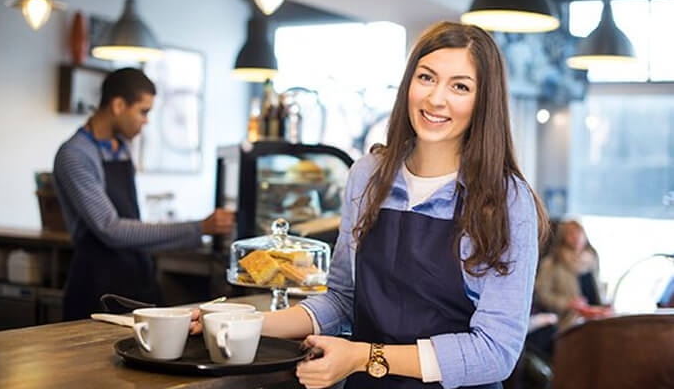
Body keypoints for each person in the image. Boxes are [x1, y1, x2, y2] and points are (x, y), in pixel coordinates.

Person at [192, 21, 549, 388]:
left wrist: (364, 356)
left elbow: (495, 352)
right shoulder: (368, 175)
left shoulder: (506, 199)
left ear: (483, 101)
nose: (436, 99)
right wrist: (240, 321)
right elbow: (343, 300)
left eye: (459, 86)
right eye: (426, 78)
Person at [54, 68, 234, 321]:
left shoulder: (122, 146)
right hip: (97, 286)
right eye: (143, 111)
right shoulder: (75, 155)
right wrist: (198, 228)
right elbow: (111, 229)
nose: (146, 120)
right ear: (118, 105)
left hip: (136, 276)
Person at [534, 219, 609, 331]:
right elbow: (541, 295)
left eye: (579, 232)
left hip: (596, 318)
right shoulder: (553, 263)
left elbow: (597, 289)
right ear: (563, 237)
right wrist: (568, 303)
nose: (576, 237)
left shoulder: (592, 259)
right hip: (567, 322)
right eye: (571, 233)